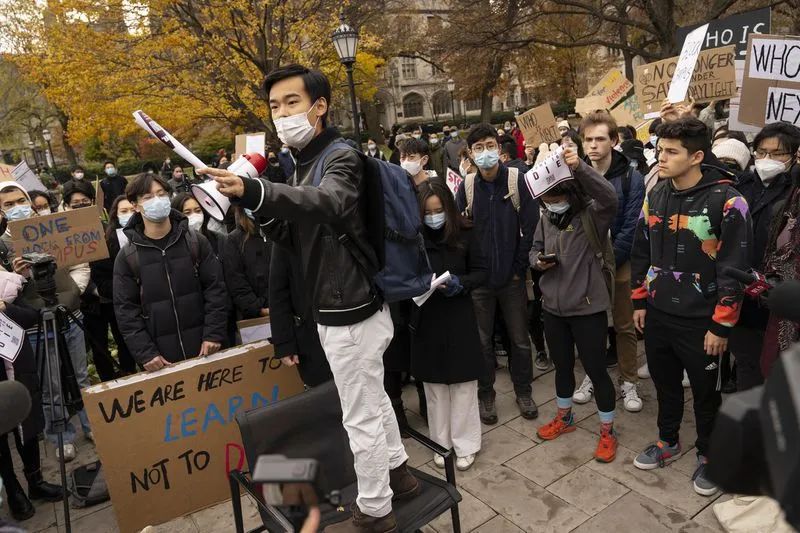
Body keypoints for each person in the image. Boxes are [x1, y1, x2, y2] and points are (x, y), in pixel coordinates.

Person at [202, 63, 418, 532]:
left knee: (357, 413)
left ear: (319, 107)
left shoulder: (340, 157)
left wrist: (259, 189)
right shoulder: (299, 163)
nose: (281, 114)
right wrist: (251, 201)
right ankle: (400, 476)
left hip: (351, 307)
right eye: (275, 106)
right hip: (335, 303)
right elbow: (290, 232)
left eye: (292, 103)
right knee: (372, 396)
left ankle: (377, 509)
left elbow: (328, 202)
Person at [630, 117, 752, 496]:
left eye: (671, 152)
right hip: (658, 314)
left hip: (703, 322)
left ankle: (710, 455)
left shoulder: (730, 201)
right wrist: (639, 299)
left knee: (706, 394)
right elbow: (641, 249)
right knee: (666, 387)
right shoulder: (657, 194)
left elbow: (736, 267)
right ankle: (668, 441)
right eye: (659, 150)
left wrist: (721, 325)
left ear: (697, 155)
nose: (660, 158)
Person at [531, 145, 620, 462]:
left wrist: (580, 166)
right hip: (553, 310)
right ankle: (564, 416)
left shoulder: (591, 216)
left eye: (556, 199)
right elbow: (534, 249)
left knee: (596, 370)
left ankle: (608, 430)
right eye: (546, 200)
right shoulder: (545, 219)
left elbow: (610, 197)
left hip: (587, 310)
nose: (551, 205)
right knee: (562, 367)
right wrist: (538, 262)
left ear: (570, 194)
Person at [0, 182, 92, 462]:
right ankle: (60, 436)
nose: (18, 208)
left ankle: (92, 426)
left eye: (21, 200)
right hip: (35, 326)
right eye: (9, 204)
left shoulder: (55, 227)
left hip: (69, 315)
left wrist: (71, 294)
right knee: (50, 385)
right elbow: (4, 296)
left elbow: (80, 263)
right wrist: (19, 276)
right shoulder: (2, 244)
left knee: (81, 378)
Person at [455, 124, 539, 423]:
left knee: (519, 339)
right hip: (479, 282)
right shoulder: (466, 187)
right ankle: (486, 395)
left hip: (511, 279)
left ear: (499, 149)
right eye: (478, 148)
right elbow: (457, 233)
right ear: (470, 154)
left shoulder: (518, 181)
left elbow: (530, 228)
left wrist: (518, 269)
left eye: (490, 145)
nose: (485, 153)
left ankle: (523, 390)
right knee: (482, 342)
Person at [113, 173, 229, 372]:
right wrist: (146, 353)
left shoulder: (195, 242)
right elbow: (126, 311)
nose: (157, 200)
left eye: (161, 194)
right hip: (161, 360)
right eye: (148, 197)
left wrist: (213, 334)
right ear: (135, 205)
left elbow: (215, 289)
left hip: (206, 349)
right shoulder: (128, 257)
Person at [572, 112, 645, 413]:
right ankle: (592, 375)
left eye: (600, 139)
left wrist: (613, 258)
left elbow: (632, 224)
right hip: (586, 263)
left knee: (625, 326)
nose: (593, 145)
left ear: (614, 141)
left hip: (619, 261)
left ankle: (629, 381)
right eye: (588, 139)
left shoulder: (631, 177)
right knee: (592, 326)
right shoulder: (574, 175)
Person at [412, 179, 486, 471]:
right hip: (426, 315)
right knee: (435, 386)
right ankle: (440, 443)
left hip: (458, 312)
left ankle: (467, 443)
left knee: (464, 383)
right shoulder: (414, 237)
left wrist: (461, 284)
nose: (433, 217)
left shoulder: (467, 231)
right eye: (427, 212)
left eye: (438, 210)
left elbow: (482, 272)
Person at [730, 123, 799, 390]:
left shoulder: (794, 192)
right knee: (747, 364)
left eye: (778, 153)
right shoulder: (741, 185)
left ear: (794, 155)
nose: (768, 159)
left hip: (779, 300)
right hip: (742, 292)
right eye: (761, 151)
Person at [63, 180, 125, 382]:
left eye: (85, 202)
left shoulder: (109, 229)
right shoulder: (62, 237)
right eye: (75, 204)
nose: (80, 207)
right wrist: (91, 289)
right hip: (89, 303)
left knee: (124, 341)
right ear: (66, 207)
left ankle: (129, 374)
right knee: (99, 348)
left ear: (93, 202)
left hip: (115, 296)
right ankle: (108, 382)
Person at [270, 243, 333, 388]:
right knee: (324, 396)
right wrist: (284, 344)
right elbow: (278, 290)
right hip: (311, 332)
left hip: (354, 323)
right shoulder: (287, 226)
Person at [223, 206, 271, 319]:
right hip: (254, 318)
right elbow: (236, 281)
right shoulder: (234, 240)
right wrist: (257, 309)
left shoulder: (278, 232)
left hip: (285, 310)